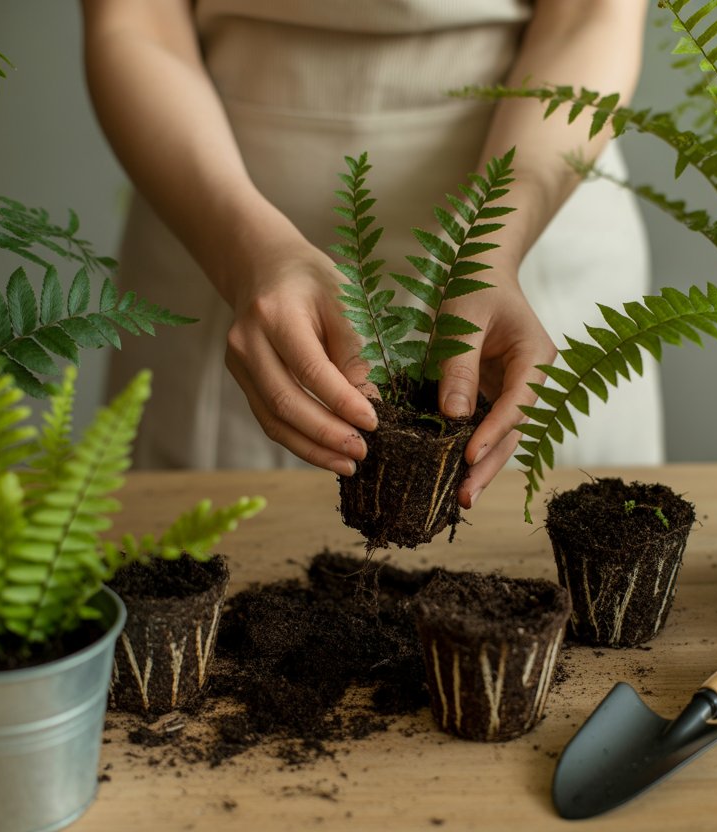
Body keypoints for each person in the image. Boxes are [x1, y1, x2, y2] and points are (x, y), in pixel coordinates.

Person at [79, 0, 661, 509]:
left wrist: (493, 241)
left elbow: (592, 14)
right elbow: (135, 19)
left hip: (533, 219)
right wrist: (246, 255)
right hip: (212, 217)